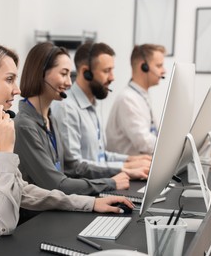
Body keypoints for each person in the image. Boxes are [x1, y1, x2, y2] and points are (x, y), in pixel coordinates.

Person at [0, 41, 134, 256]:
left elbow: (21, 190)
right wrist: (4, 151)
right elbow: (2, 222)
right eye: (9, 79)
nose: (17, 90)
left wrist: (90, 203)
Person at [14, 42, 149, 196]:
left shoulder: (50, 118)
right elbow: (58, 182)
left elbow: (71, 167)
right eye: (63, 74)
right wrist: (111, 182)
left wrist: (130, 164)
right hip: (43, 213)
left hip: (61, 203)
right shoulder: (26, 125)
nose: (69, 82)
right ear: (41, 74)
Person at [51, 42, 152, 170]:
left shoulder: (92, 104)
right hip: (83, 188)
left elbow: (99, 156)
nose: (112, 77)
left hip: (99, 182)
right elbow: (74, 165)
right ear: (86, 72)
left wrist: (131, 160)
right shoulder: (66, 108)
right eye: (106, 71)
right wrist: (125, 167)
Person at [106, 44, 166, 155]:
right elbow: (145, 143)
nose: (164, 71)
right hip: (126, 170)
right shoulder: (128, 99)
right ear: (144, 67)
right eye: (159, 66)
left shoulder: (141, 96)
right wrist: (171, 147)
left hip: (140, 166)